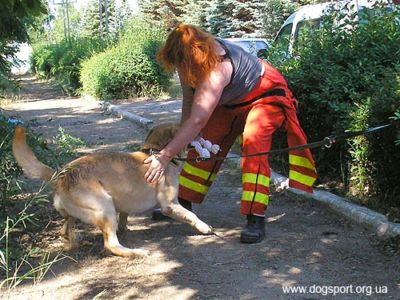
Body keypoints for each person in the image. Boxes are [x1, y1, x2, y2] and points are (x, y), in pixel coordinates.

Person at [144, 24, 317, 244]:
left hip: (265, 94)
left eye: (181, 63)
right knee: (203, 142)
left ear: (193, 55)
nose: (179, 69)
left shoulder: (217, 69)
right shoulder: (186, 60)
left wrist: (165, 156)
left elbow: (197, 120)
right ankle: (183, 202)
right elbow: (190, 103)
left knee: (253, 146)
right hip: (233, 101)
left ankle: (256, 216)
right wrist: (182, 134)